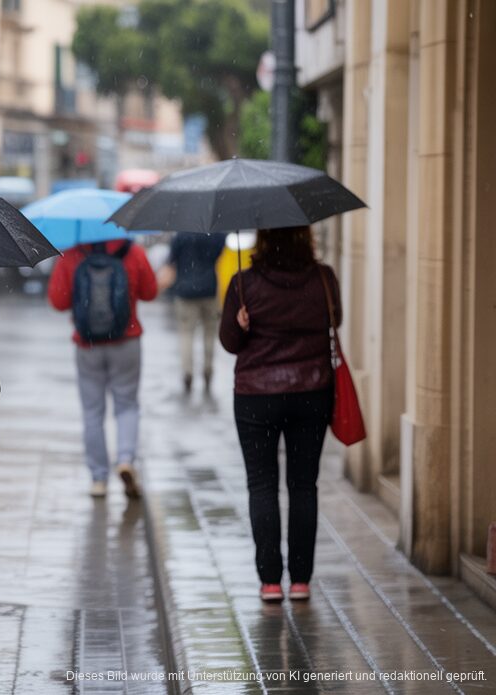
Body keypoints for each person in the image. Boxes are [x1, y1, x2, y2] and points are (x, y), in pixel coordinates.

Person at [219, 226, 339, 604]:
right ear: (305, 236)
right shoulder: (323, 278)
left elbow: (229, 343)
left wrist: (240, 323)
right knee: (304, 486)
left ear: (264, 238)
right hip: (311, 392)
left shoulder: (244, 284)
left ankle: (270, 581)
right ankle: (300, 580)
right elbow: (335, 320)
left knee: (262, 485)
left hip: (256, 397)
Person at [48, 239, 158, 499]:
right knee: (127, 404)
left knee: (92, 412)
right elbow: (150, 292)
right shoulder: (133, 251)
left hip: (87, 344)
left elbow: (57, 301)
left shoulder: (72, 253)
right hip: (127, 340)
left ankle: (99, 479)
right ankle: (125, 459)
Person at [165, 231, 228, 393]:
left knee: (186, 333)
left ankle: (187, 372)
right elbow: (220, 253)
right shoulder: (217, 233)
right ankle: (208, 370)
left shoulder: (181, 234)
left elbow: (171, 260)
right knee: (210, 334)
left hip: (185, 290)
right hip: (209, 289)